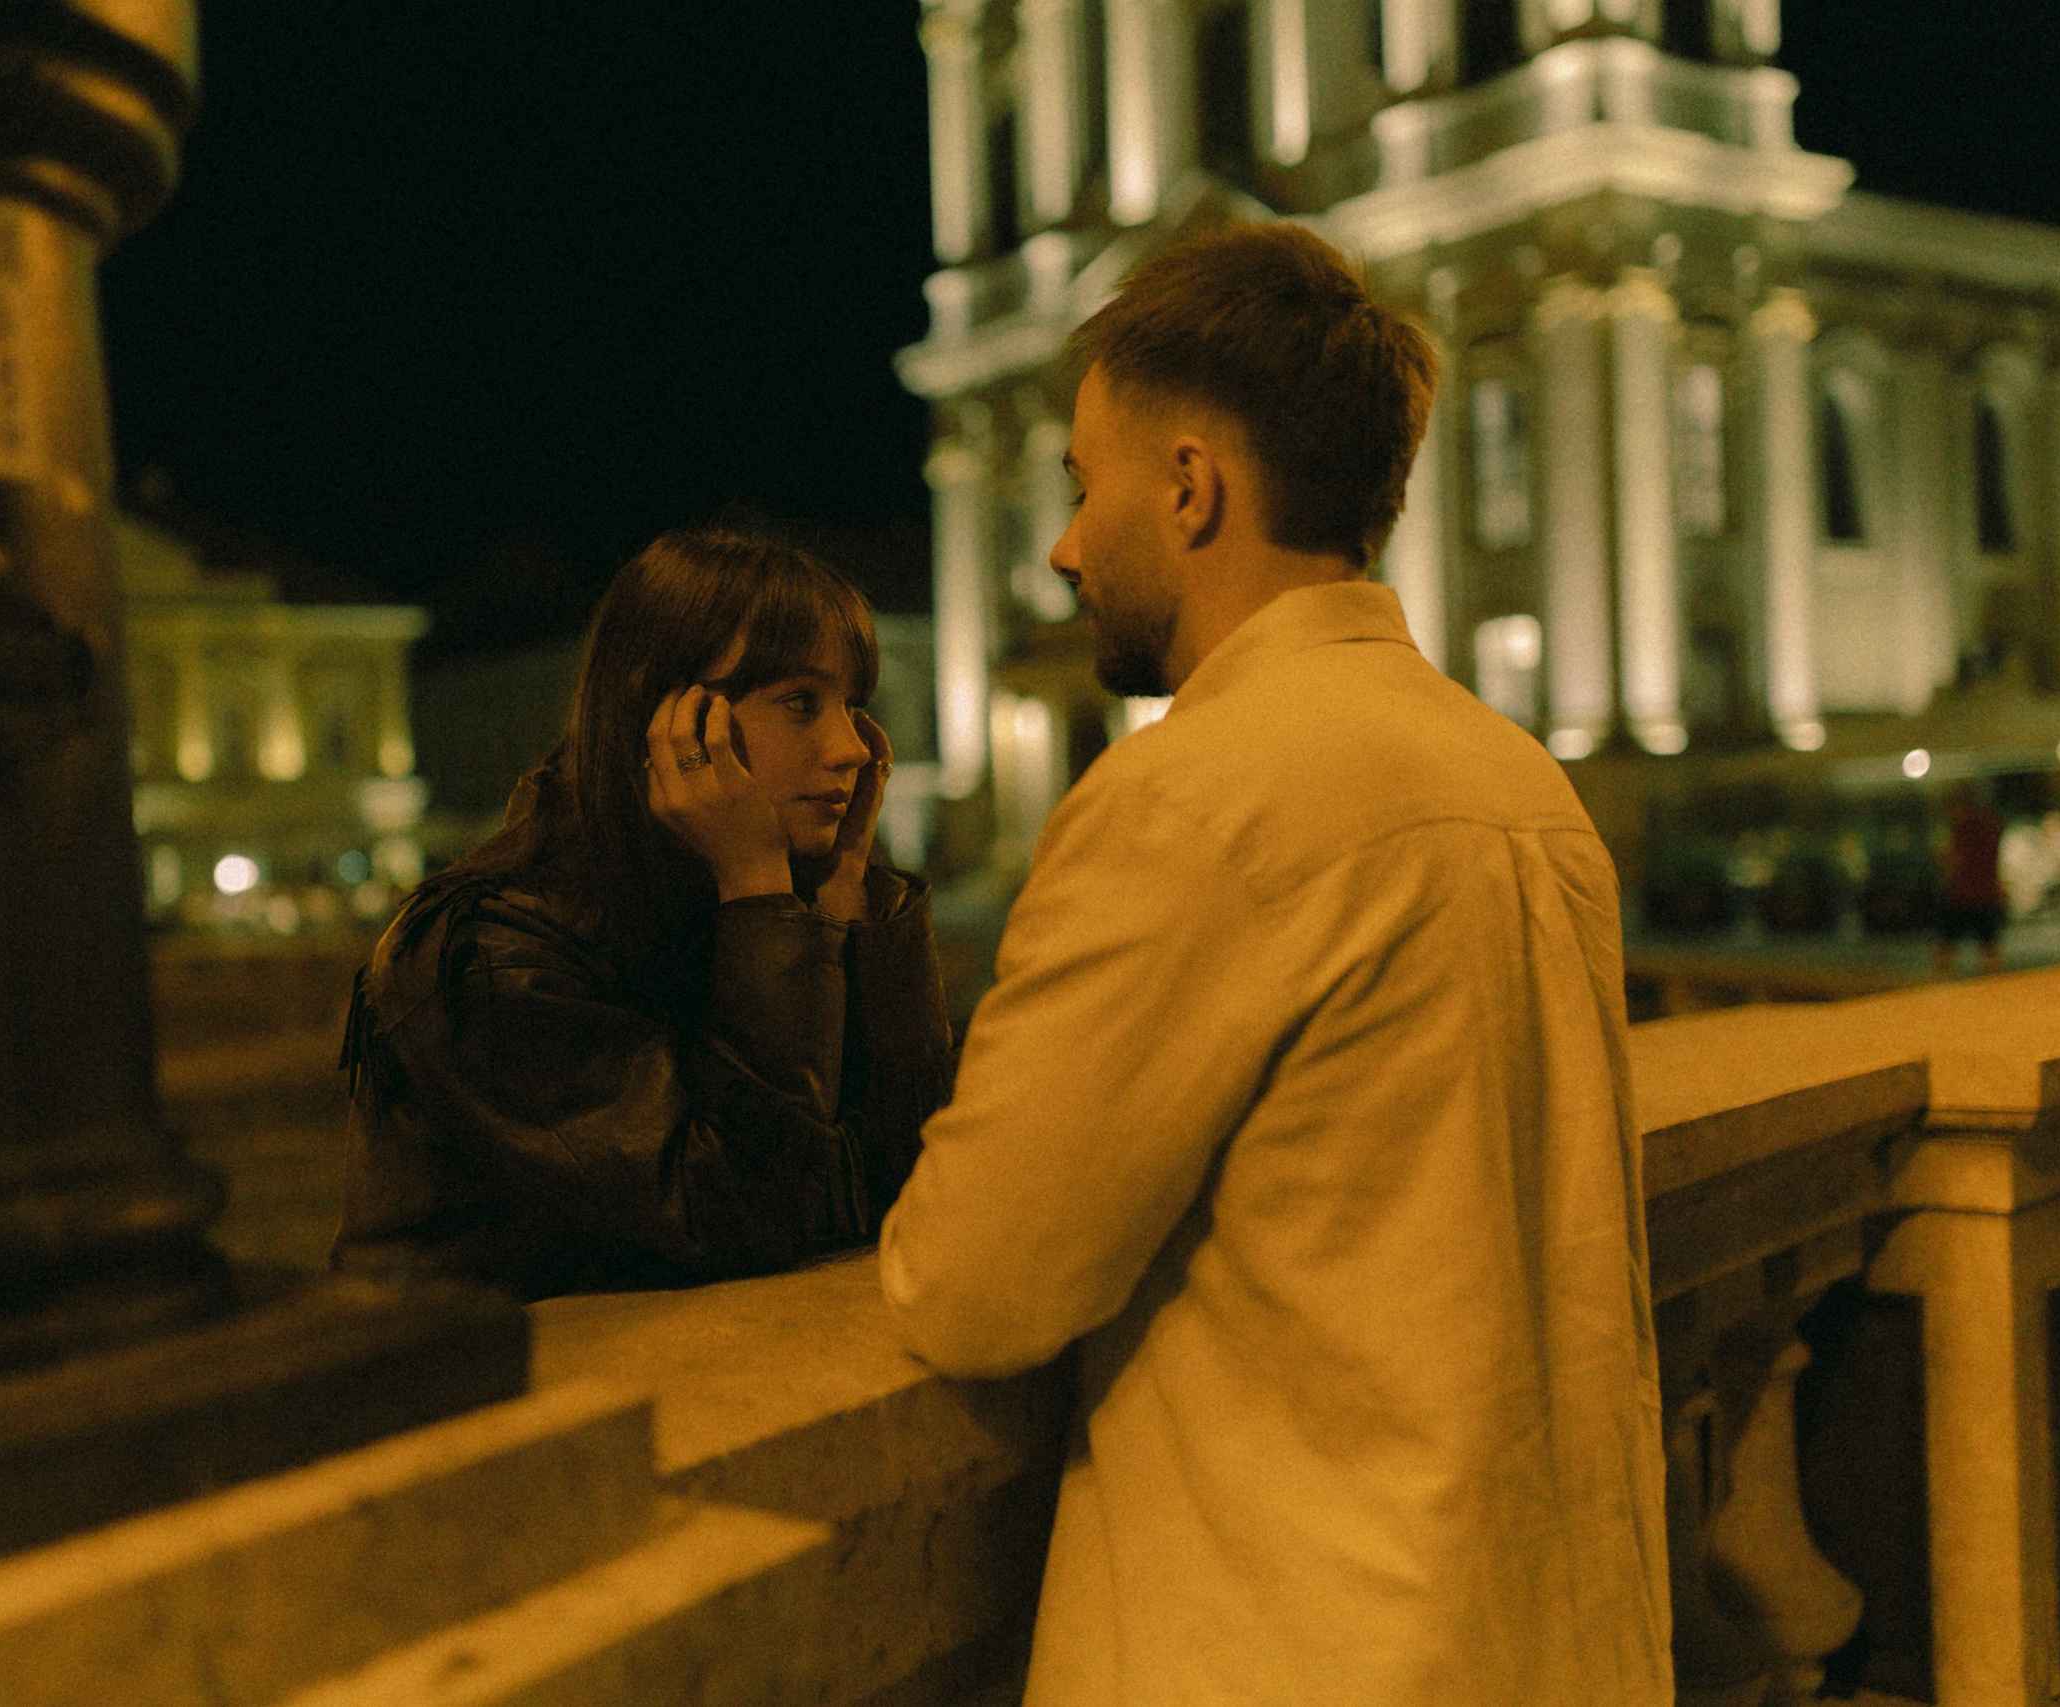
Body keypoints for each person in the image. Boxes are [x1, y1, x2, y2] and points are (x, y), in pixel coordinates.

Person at [878, 224, 1673, 1705]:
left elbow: (972, 1282)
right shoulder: (1522, 786)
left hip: (1290, 1642)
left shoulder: (1187, 800)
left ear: (1189, 487)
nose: (1061, 543)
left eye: (1081, 482)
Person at [334, 529, 954, 1300]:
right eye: (800, 702)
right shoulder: (494, 952)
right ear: (668, 718)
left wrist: (850, 900)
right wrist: (759, 888)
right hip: (496, 1401)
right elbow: (745, 1211)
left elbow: (929, 1178)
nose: (852, 748)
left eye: (852, 705)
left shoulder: (765, 908)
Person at [1935, 784, 2007, 977]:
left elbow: (1953, 861)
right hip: (1988, 893)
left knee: (1947, 944)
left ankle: (1941, 988)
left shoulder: (1962, 830)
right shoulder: (1990, 826)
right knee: (1989, 946)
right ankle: (1995, 987)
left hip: (1962, 894)